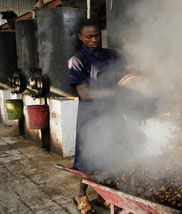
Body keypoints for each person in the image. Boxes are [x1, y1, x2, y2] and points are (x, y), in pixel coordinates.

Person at [68, 18, 127, 214]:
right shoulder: (76, 61)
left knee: (112, 155)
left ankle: (104, 195)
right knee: (89, 159)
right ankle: (80, 195)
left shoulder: (110, 55)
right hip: (91, 117)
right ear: (80, 37)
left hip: (112, 113)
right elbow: (84, 93)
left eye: (97, 35)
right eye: (89, 37)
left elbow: (129, 68)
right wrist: (113, 93)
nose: (94, 40)